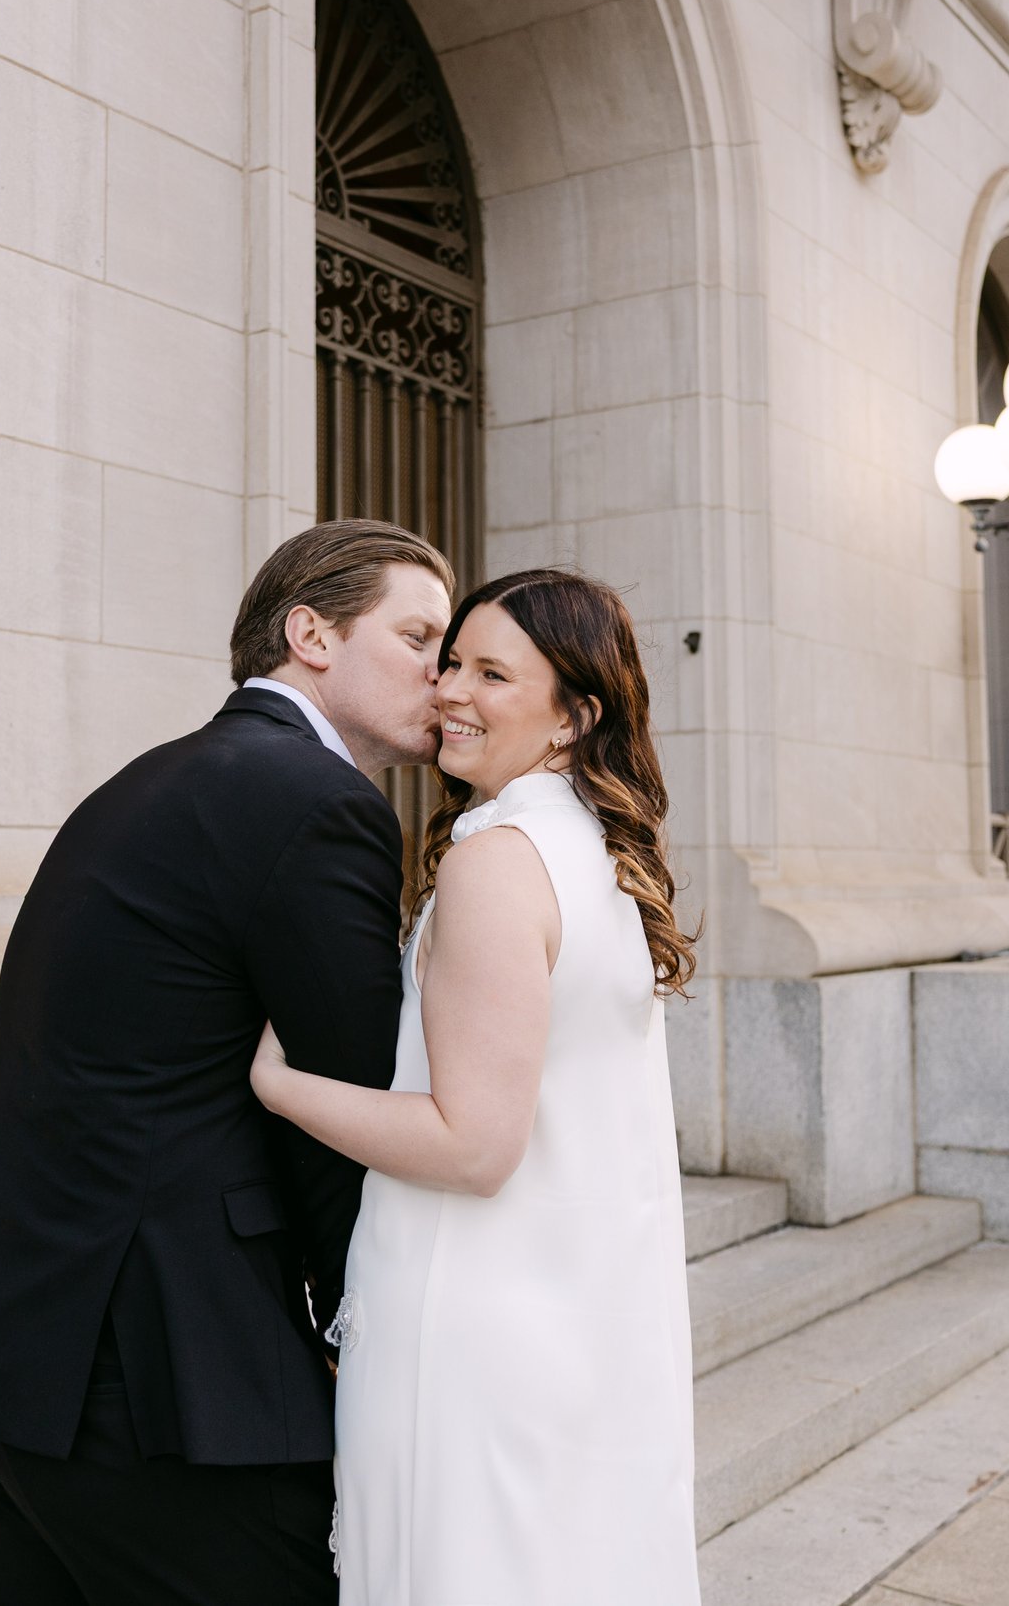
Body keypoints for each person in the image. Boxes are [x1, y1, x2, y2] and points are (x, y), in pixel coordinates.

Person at [0, 521, 454, 1604]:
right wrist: (363, 1334)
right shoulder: (318, 803)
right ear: (310, 634)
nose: (443, 670)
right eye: (419, 634)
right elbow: (349, 1108)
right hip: (143, 1385)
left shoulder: (159, 774)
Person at [249, 568, 702, 1606]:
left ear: (573, 715)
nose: (449, 687)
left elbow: (471, 1144)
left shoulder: (497, 860)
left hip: (474, 1340)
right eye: (451, 658)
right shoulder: (596, 853)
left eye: (492, 672)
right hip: (576, 1328)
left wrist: (281, 1085)